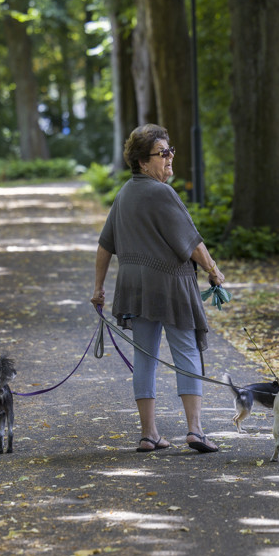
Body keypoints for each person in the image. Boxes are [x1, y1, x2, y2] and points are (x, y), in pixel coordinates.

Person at [91, 124, 226, 453]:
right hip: (169, 285)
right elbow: (192, 243)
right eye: (161, 153)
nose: (169, 159)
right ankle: (195, 431)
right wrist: (213, 270)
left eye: (171, 152)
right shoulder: (162, 193)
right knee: (186, 352)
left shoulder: (123, 195)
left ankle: (149, 434)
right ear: (141, 162)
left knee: (145, 358)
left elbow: (104, 246)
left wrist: (98, 289)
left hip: (133, 286)